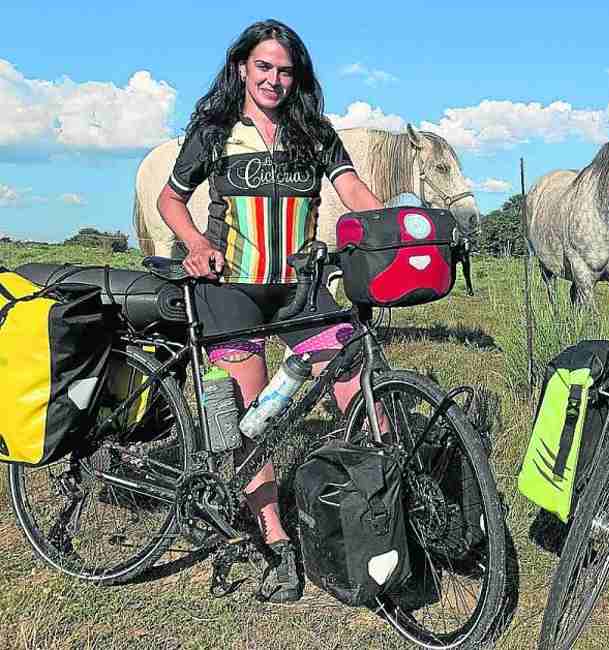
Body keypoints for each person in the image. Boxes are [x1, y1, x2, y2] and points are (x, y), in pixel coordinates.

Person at [157, 19, 384, 602]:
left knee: (356, 385)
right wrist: (196, 245)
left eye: (285, 70)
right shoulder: (214, 130)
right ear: (242, 68)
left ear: (297, 76)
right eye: (264, 67)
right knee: (253, 421)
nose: (274, 79)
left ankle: (378, 510)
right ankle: (277, 542)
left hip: (300, 286)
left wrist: (389, 225)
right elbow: (171, 198)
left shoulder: (312, 130)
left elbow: (352, 187)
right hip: (231, 287)